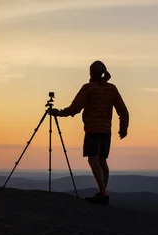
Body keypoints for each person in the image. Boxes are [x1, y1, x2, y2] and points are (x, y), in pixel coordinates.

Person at [49, 60, 129, 205]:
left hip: (93, 130)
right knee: (102, 160)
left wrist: (59, 113)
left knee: (93, 160)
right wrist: (123, 129)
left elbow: (75, 108)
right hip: (106, 131)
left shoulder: (88, 88)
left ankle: (103, 194)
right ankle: (103, 192)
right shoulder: (112, 88)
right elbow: (123, 111)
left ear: (91, 73)